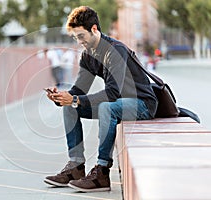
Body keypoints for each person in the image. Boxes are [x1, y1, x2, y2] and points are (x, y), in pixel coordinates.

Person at [43, 6, 157, 192]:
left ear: (94, 29)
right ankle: (76, 167)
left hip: (142, 104)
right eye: (75, 38)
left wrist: (75, 99)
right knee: (69, 107)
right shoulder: (88, 55)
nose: (79, 42)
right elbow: (79, 90)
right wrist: (61, 98)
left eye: (81, 36)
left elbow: (111, 93)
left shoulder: (115, 50)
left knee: (106, 107)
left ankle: (102, 172)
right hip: (118, 103)